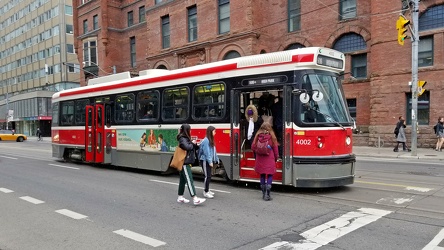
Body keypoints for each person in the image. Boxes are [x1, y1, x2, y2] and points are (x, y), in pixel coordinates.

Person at [176, 124, 206, 205]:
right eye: (189, 129)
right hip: (185, 162)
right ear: (186, 130)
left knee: (182, 181)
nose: (191, 131)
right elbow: (187, 147)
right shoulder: (182, 138)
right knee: (189, 180)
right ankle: (195, 198)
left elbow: (192, 147)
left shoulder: (185, 138)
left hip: (185, 162)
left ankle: (180, 197)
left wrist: (196, 144)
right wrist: (192, 143)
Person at [251, 122, 279, 201]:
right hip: (269, 159)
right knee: (270, 175)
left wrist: (257, 152)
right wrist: (276, 158)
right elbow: (276, 150)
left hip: (260, 159)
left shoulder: (257, 136)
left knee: (262, 175)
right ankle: (268, 194)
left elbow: (253, 147)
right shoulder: (272, 137)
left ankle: (263, 194)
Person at [198, 126, 220, 199]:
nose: (215, 133)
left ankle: (207, 190)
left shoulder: (210, 140)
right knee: (207, 176)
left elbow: (214, 151)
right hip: (204, 160)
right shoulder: (206, 141)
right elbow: (207, 152)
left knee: (209, 176)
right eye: (214, 131)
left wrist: (216, 159)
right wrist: (210, 161)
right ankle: (206, 191)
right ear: (210, 132)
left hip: (207, 160)